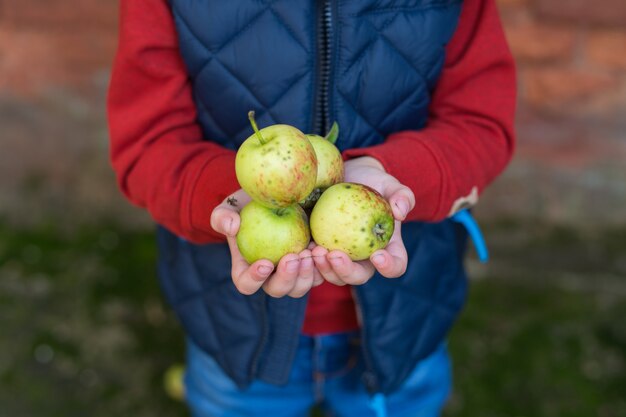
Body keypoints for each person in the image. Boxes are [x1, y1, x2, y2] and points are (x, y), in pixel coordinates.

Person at [107, 0, 515, 415]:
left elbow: (481, 122)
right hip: (233, 326)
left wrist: (391, 173)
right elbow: (148, 142)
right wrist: (231, 199)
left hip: (407, 314)